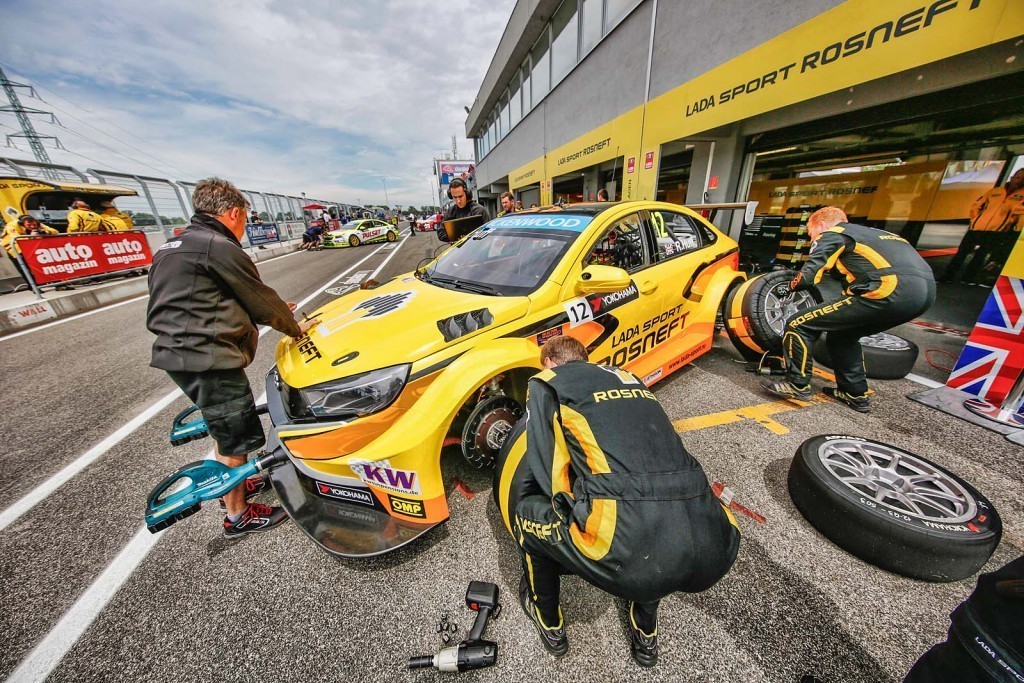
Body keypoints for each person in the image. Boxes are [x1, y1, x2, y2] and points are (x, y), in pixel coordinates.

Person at [515, 336, 740, 667]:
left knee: (527, 516)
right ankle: (645, 633)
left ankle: (549, 622)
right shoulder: (629, 378)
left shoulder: (547, 381)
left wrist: (570, 512)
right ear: (585, 357)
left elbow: (550, 469)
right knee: (654, 511)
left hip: (632, 551)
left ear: (549, 362)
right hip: (715, 543)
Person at [146, 177, 319, 537]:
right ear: (235, 213)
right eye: (245, 218)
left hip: (178, 354)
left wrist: (259, 313)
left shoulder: (171, 246)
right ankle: (238, 514)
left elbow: (201, 301)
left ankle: (234, 486)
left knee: (225, 429)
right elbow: (258, 297)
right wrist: (295, 327)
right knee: (235, 437)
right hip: (207, 357)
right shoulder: (217, 246)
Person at [761, 206, 936, 412]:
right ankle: (854, 393)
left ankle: (797, 385)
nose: (811, 239)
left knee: (798, 323)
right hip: (925, 295)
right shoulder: (880, 234)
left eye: (810, 233)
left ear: (821, 225)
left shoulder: (834, 233)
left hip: (887, 290)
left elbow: (809, 276)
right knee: (843, 335)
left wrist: (789, 287)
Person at [941, 167, 1024, 285]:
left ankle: (968, 278)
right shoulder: (995, 191)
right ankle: (948, 276)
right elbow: (977, 205)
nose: (1019, 180)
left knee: (981, 255)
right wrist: (974, 219)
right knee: (962, 253)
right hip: (976, 228)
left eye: (1022, 178)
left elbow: (1020, 215)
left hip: (997, 230)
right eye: (1018, 176)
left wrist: (1015, 226)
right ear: (1012, 177)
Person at [2, 214, 58, 287]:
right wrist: (31, 237)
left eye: (34, 224)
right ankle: (33, 286)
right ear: (22, 224)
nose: (32, 226)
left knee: (45, 265)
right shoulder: (12, 225)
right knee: (24, 268)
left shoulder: (38, 224)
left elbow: (55, 231)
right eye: (29, 225)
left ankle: (55, 283)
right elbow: (16, 238)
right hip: (15, 248)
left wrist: (45, 232)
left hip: (32, 247)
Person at [438, 177, 490, 242]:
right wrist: (457, 237)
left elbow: (489, 232)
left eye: (460, 196)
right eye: (455, 197)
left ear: (467, 194)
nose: (458, 201)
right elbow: (440, 233)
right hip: (458, 248)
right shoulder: (450, 212)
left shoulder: (480, 210)